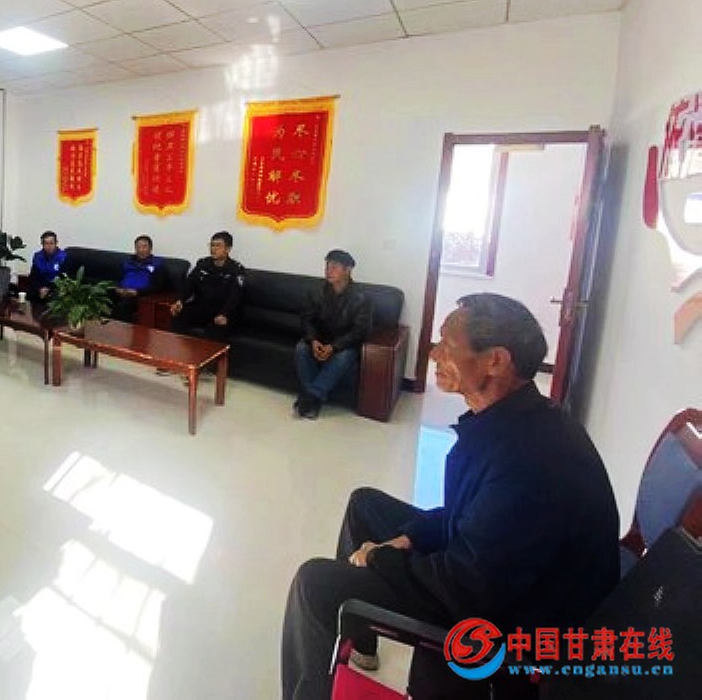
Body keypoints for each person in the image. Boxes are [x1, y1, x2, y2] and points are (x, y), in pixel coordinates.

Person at [281, 293, 619, 700]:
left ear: (495, 361)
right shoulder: (509, 420)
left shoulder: (531, 460)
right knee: (365, 505)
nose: (435, 353)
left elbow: (466, 587)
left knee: (315, 583)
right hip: (489, 573)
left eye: (447, 343)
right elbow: (468, 514)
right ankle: (361, 640)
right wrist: (409, 537)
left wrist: (381, 557)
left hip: (506, 624)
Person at [293, 249, 372, 420]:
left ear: (348, 270)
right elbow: (306, 319)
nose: (328, 271)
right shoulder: (317, 291)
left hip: (345, 344)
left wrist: (334, 347)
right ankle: (314, 398)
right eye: (327, 266)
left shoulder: (361, 297)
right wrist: (313, 340)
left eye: (334, 267)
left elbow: (360, 331)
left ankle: (311, 397)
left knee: (343, 357)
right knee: (301, 348)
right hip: (320, 340)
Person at [169, 231, 244, 342]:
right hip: (203, 307)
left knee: (217, 330)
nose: (213, 249)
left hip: (222, 310)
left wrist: (225, 314)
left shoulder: (236, 269)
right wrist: (180, 300)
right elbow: (189, 284)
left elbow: (235, 296)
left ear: (228, 249)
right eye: (212, 245)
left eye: (218, 246)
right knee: (178, 315)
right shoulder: (203, 264)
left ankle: (207, 353)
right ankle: (176, 350)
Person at [111, 234, 168, 323]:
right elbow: (117, 278)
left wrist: (137, 292)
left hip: (140, 295)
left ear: (150, 249)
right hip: (122, 292)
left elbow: (158, 286)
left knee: (123, 305)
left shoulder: (157, 264)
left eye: (144, 247)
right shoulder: (127, 262)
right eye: (138, 247)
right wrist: (118, 288)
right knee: (100, 296)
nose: (141, 250)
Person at [28, 231, 67, 302]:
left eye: (51, 243)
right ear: (42, 244)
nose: (49, 246)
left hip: (55, 287)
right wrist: (39, 288)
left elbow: (63, 279)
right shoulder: (38, 256)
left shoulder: (63, 257)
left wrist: (48, 289)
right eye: (46, 243)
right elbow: (33, 277)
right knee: (30, 293)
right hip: (40, 287)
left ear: (56, 243)